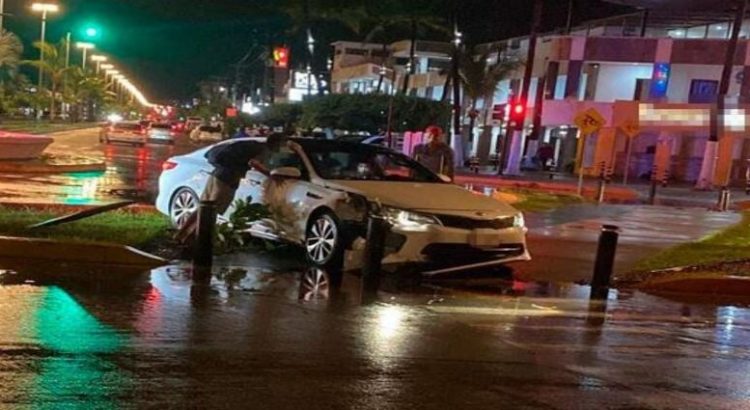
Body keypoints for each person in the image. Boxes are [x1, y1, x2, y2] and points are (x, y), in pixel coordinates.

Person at [175, 133, 288, 244]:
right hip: (227, 179)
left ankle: (181, 235)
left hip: (217, 174)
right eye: (283, 144)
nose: (284, 147)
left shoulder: (254, 145)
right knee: (211, 211)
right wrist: (270, 175)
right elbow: (254, 162)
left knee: (204, 208)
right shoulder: (262, 149)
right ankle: (192, 239)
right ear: (276, 143)